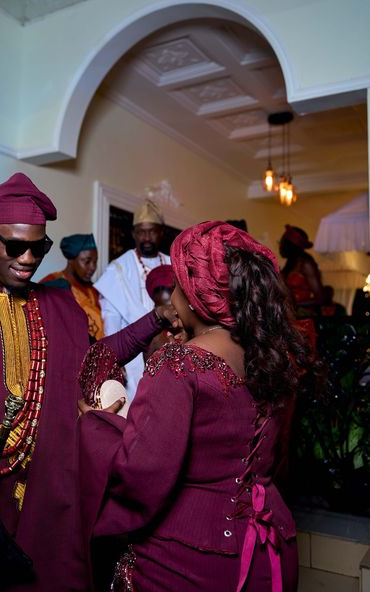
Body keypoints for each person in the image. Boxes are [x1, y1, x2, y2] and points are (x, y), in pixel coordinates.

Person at [0, 172, 176, 591]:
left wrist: (155, 320)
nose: (28, 258)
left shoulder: (59, 307)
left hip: (38, 488)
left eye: (38, 247)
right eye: (15, 246)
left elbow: (94, 359)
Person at [78, 221, 311, 591]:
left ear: (193, 294)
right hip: (273, 548)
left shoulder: (179, 364)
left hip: (188, 561)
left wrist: (99, 425)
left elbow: (139, 479)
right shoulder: (274, 352)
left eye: (178, 288)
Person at [95, 199, 170, 398]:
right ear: (133, 234)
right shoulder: (117, 269)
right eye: (141, 231)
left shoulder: (173, 263)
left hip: (171, 349)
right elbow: (111, 319)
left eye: (152, 231)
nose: (146, 237)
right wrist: (114, 360)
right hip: (132, 357)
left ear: (161, 232)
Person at [40, 233, 104, 339]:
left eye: (95, 261)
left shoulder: (94, 289)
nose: (93, 267)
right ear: (71, 260)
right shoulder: (52, 283)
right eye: (87, 261)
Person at [279, 225, 325, 315]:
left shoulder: (306, 264)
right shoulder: (289, 263)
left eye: (282, 243)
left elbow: (321, 298)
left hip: (304, 316)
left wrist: (295, 304)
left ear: (290, 245)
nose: (280, 246)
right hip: (290, 314)